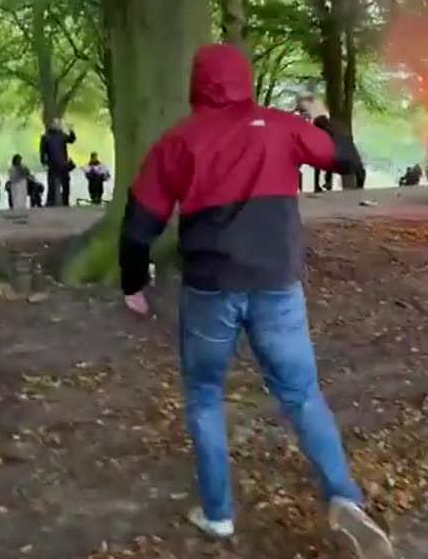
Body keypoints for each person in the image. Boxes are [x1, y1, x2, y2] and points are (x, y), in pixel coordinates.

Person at [118, 44, 392, 556]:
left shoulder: (177, 142)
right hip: (276, 287)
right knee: (302, 394)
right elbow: (349, 162)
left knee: (204, 395)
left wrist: (133, 284)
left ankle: (219, 514)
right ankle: (343, 496)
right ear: (245, 81)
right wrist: (324, 120)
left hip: (209, 292)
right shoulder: (282, 127)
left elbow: (137, 229)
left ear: (196, 85)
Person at [39, 118, 77, 207]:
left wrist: (71, 130)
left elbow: (72, 140)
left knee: (66, 184)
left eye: (59, 124)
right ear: (52, 125)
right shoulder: (46, 136)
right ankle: (51, 202)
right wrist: (44, 162)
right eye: (56, 124)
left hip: (63, 164)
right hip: (52, 164)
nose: (58, 125)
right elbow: (42, 151)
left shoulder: (62, 135)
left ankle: (65, 202)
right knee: (52, 184)